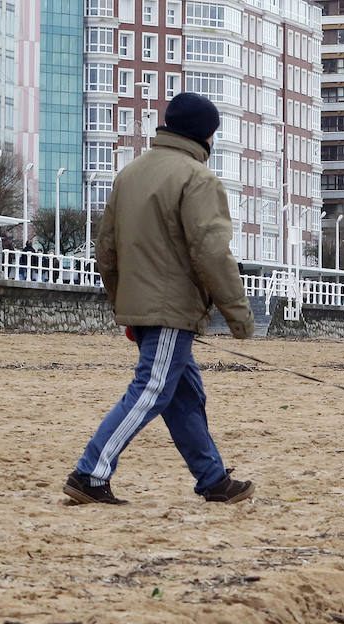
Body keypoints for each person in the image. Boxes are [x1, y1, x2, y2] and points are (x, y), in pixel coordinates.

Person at [64, 92, 256, 506]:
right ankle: (90, 473)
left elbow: (106, 250)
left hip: (146, 304)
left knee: (182, 395)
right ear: (206, 135)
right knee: (152, 389)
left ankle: (214, 479)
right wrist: (238, 314)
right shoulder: (199, 179)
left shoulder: (129, 174)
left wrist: (125, 304)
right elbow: (211, 252)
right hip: (171, 308)